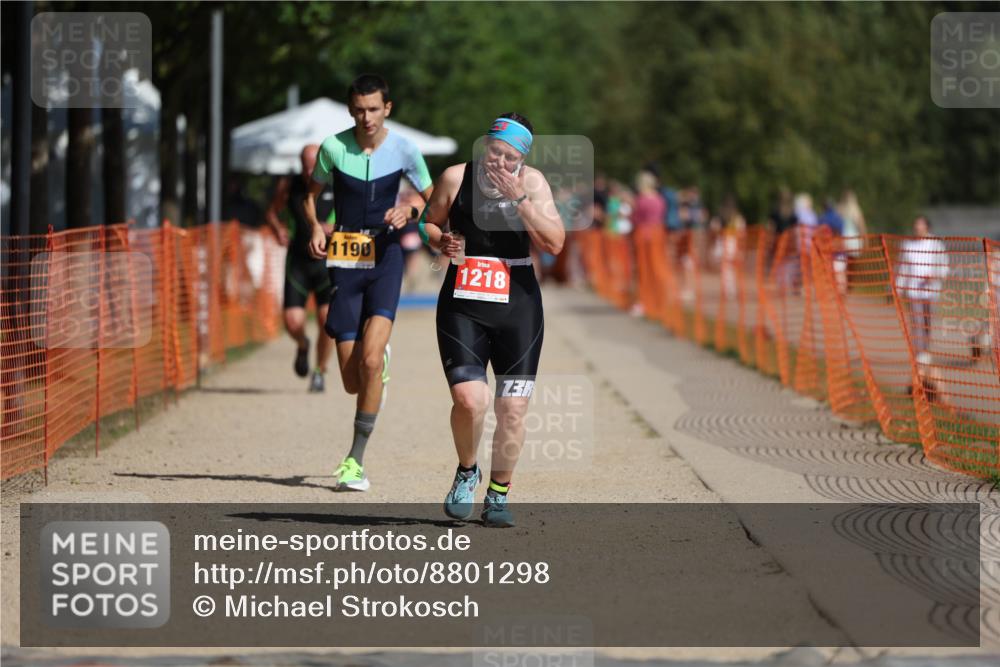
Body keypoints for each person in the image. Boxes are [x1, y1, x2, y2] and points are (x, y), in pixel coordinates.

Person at [419, 113, 564, 527]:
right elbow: (428, 222)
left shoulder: (533, 183)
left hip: (518, 306)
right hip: (463, 301)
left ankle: (498, 494)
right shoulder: (456, 177)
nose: (499, 161)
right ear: (485, 145)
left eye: (509, 157)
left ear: (522, 159)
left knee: (512, 408)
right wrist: (441, 240)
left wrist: (520, 200)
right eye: (494, 151)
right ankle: (467, 471)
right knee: (470, 400)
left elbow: (554, 242)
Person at [305, 74, 433, 491]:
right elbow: (310, 195)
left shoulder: (405, 149)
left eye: (374, 109)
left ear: (387, 108)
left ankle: (354, 462)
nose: (367, 117)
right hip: (344, 259)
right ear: (350, 110)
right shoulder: (332, 148)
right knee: (351, 380)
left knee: (372, 361)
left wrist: (409, 211)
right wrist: (316, 226)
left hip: (386, 257)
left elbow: (432, 198)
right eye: (360, 110)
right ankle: (374, 368)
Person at [264, 145, 336, 392]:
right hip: (298, 261)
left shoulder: (337, 184)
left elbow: (354, 218)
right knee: (292, 322)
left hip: (328, 261)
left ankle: (320, 371)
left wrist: (334, 227)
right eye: (305, 165)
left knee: (327, 320)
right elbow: (272, 212)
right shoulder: (289, 185)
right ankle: (303, 344)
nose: (309, 170)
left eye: (313, 165)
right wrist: (278, 229)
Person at [895, 216, 948, 358]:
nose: (918, 227)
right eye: (916, 224)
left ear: (927, 227)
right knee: (916, 322)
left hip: (931, 290)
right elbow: (903, 268)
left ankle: (925, 348)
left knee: (927, 322)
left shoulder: (936, 244)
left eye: (921, 224)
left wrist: (935, 276)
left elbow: (944, 266)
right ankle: (920, 352)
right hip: (913, 290)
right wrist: (898, 288)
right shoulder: (907, 245)